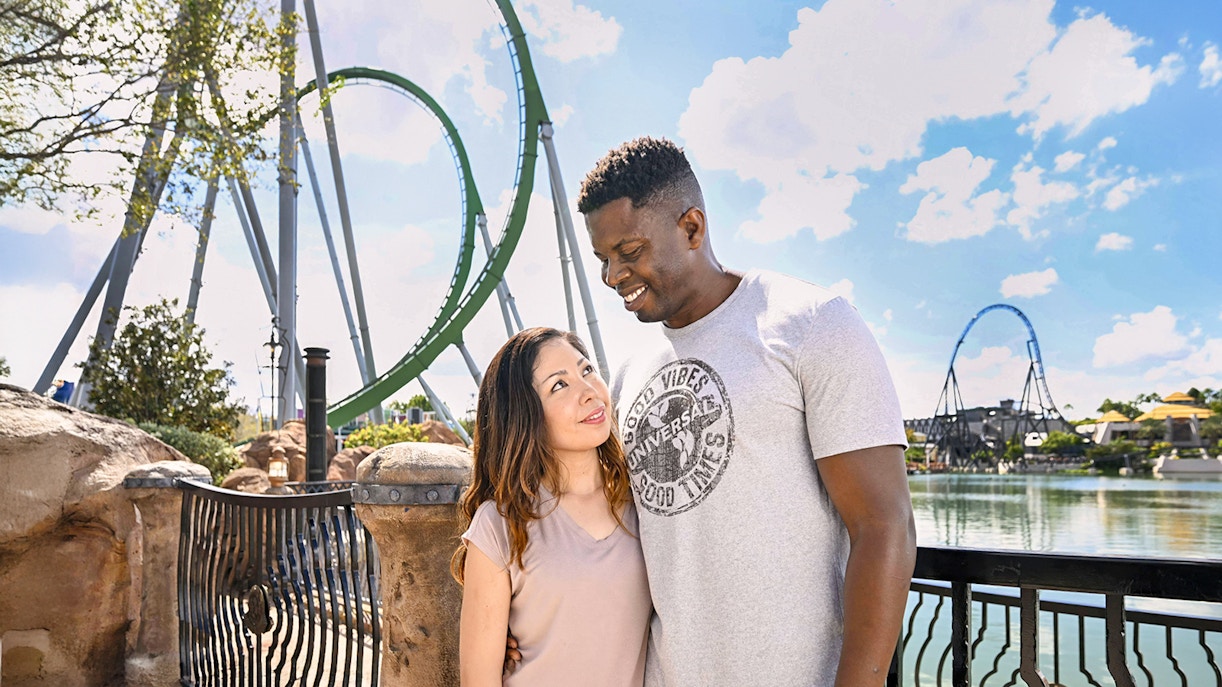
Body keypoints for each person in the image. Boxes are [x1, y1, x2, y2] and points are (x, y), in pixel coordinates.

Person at [572, 136, 918, 686]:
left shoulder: (811, 324)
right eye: (603, 260)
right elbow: (617, 536)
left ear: (691, 228)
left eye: (630, 252)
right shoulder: (629, 372)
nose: (614, 276)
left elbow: (884, 524)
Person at [452, 327, 652, 687]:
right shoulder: (500, 525)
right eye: (559, 385)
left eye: (587, 370)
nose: (589, 392)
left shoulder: (648, 501)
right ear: (524, 415)